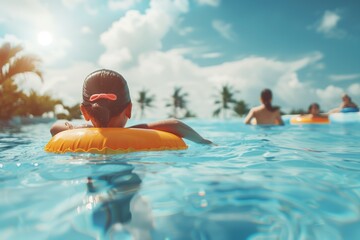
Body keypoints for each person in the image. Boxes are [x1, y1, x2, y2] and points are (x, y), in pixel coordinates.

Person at [50, 69, 212, 144]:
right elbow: (174, 124)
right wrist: (204, 142)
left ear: (84, 111)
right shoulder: (138, 131)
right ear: (129, 109)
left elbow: (55, 127)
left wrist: (76, 128)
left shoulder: (80, 132)